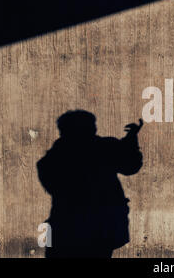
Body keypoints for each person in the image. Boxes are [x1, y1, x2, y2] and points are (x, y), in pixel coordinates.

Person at [37, 110, 143, 258]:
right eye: (91, 126)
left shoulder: (53, 158)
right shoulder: (103, 148)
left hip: (66, 228)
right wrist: (131, 140)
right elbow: (131, 165)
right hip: (99, 229)